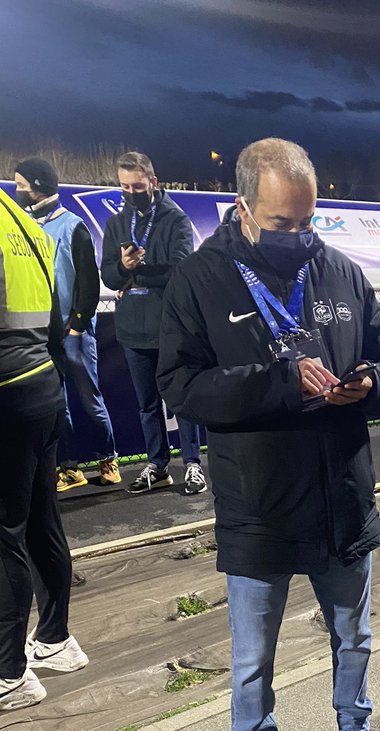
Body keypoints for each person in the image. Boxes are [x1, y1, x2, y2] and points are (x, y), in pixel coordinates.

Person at [157, 138, 380, 731]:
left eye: (307, 222)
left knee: (353, 635)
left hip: (341, 496)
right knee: (252, 653)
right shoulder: (199, 280)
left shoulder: (344, 274)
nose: (298, 238)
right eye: (281, 224)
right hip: (258, 504)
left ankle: (355, 728)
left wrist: (371, 383)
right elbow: (180, 385)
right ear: (241, 208)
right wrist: (278, 383)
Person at [0, 188, 88, 712]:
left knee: (4, 534)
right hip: (41, 386)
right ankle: (55, 640)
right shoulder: (23, 221)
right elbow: (53, 324)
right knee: (39, 521)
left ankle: (10, 674)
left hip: (6, 396)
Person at [100, 151, 206, 495]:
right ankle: (158, 465)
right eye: (124, 186)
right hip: (133, 329)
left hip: (170, 326)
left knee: (181, 399)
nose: (131, 192)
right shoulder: (117, 223)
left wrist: (139, 273)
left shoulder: (174, 219)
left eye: (137, 186)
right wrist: (125, 271)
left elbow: (180, 270)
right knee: (146, 404)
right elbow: (109, 276)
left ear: (153, 183)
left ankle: (192, 464)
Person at [14, 157, 120, 492]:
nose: (18, 191)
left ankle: (108, 459)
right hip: (42, 334)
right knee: (57, 405)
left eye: (21, 185)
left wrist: (76, 326)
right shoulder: (27, 227)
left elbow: (89, 283)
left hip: (73, 331)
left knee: (89, 399)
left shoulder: (73, 226)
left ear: (39, 187)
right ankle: (69, 468)